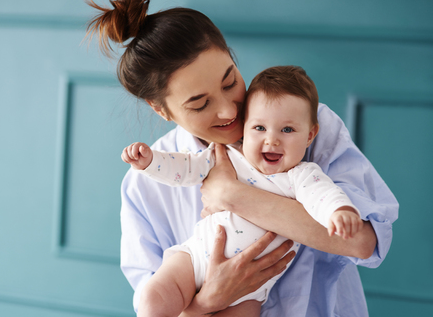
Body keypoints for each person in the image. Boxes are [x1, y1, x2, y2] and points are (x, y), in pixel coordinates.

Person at [86, 0, 399, 316]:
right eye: (199, 104)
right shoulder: (145, 186)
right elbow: (156, 302)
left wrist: (233, 195)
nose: (228, 110)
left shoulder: (303, 126)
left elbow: (363, 243)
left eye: (230, 81)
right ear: (161, 109)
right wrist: (211, 300)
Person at [122, 66, 365, 316]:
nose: (272, 140)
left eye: (288, 130)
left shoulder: (302, 176)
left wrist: (339, 211)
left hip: (250, 291)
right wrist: (151, 162)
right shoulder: (225, 156)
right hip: (193, 260)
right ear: (245, 126)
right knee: (154, 297)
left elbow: (322, 197)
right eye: (259, 128)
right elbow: (184, 168)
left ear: (310, 135)